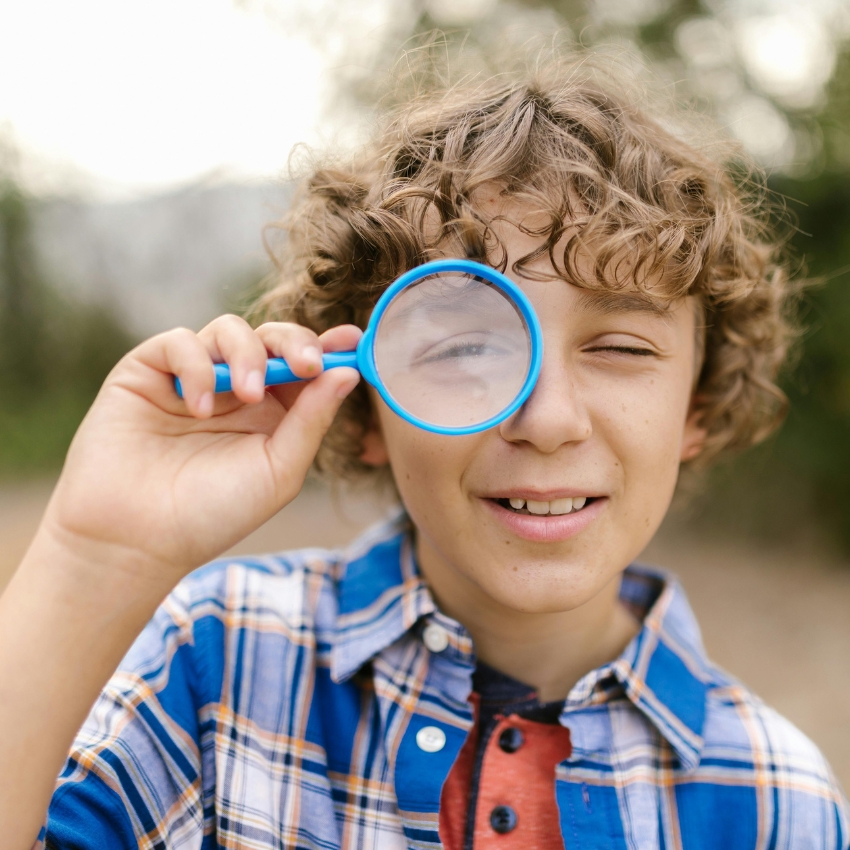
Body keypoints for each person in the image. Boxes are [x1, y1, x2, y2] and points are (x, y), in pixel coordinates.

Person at [2, 54, 848, 850]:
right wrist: (90, 561)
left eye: (621, 347)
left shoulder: (779, 801)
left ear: (696, 405)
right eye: (466, 349)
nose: (547, 420)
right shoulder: (216, 662)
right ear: (367, 405)